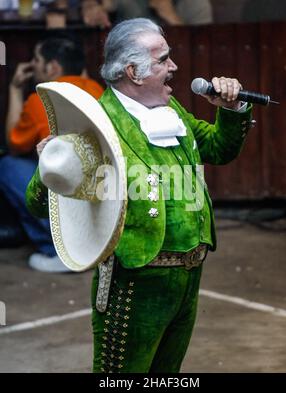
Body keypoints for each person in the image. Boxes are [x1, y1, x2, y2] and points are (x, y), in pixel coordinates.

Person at [26, 18, 254, 372]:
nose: (174, 67)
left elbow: (218, 149)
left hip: (189, 276)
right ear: (133, 71)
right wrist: (50, 165)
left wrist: (231, 109)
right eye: (163, 59)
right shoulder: (97, 124)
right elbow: (38, 203)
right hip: (134, 284)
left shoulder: (172, 109)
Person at [0, 37, 104, 273]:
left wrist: (15, 89)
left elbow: (14, 144)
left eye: (37, 60)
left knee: (7, 165)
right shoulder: (98, 89)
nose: (32, 65)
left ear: (53, 67)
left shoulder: (41, 100)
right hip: (105, 197)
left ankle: (56, 249)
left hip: (72, 200)